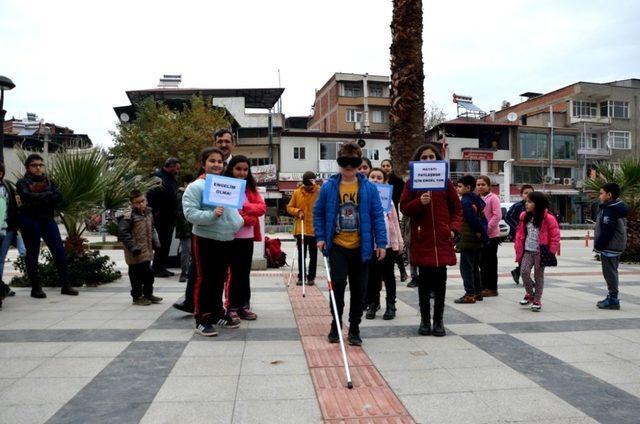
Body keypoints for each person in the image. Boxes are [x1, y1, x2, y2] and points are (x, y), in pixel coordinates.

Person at [314, 141, 387, 346]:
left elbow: (377, 216)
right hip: (337, 245)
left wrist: (381, 242)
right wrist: (320, 237)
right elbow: (318, 213)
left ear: (359, 163)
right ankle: (336, 325)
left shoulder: (369, 188)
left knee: (359, 289)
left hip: (361, 247)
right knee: (337, 286)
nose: (348, 166)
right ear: (339, 162)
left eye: (353, 162)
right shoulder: (329, 186)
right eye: (344, 162)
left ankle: (354, 328)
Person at [400, 144, 462, 337]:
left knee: (440, 284)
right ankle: (425, 320)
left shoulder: (446, 183)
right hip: (422, 239)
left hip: (442, 239)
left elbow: (457, 209)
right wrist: (420, 202)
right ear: (418, 161)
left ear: (438, 159)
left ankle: (439, 321)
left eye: (431, 157)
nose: (428, 160)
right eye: (424, 157)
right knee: (424, 284)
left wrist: (453, 228)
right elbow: (404, 207)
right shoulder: (411, 183)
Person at [182, 147, 244, 336]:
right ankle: (202, 317)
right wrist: (211, 215)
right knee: (205, 278)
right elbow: (190, 214)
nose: (217, 164)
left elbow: (233, 212)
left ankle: (217, 312)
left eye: (219, 161)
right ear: (203, 164)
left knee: (220, 277)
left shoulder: (227, 184)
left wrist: (238, 222)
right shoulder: (196, 187)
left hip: (226, 238)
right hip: (205, 239)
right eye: (212, 161)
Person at [16, 154, 78, 298]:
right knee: (33, 254)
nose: (38, 168)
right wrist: (47, 196)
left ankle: (66, 285)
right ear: (27, 167)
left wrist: (40, 196)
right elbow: (26, 197)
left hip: (47, 220)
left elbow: (58, 197)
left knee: (59, 252)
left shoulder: (50, 181)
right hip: (30, 220)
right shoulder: (22, 182)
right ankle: (36, 288)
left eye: (40, 165)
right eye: (34, 165)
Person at [224, 155, 266, 320]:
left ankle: (243, 306)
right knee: (232, 274)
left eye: (245, 169)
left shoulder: (251, 188)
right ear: (231, 169)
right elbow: (229, 212)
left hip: (247, 238)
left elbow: (261, 208)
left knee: (244, 273)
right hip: (230, 237)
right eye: (238, 169)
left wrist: (243, 206)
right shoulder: (226, 186)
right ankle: (231, 306)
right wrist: (249, 216)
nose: (242, 172)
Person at [365, 168, 403, 320]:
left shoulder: (389, 201)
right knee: (373, 277)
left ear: (384, 181)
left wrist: (399, 243)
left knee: (389, 276)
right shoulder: (363, 199)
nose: (375, 179)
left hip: (387, 244)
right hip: (371, 245)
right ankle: (373, 304)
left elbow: (395, 222)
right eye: (372, 177)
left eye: (379, 177)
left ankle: (391, 305)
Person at [514, 192, 560, 311]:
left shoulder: (548, 218)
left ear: (538, 204)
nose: (526, 204)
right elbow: (520, 232)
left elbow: (555, 236)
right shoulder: (524, 216)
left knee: (539, 276)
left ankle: (537, 300)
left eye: (529, 202)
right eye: (526, 201)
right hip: (528, 251)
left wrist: (552, 251)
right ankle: (530, 294)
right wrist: (518, 246)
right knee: (524, 271)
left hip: (541, 251)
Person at [118, 190, 163, 306]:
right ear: (132, 203)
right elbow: (123, 233)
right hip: (134, 252)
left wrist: (156, 243)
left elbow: (152, 229)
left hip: (146, 249)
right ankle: (137, 296)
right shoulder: (128, 215)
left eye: (143, 201)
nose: (141, 204)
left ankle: (148, 294)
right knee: (136, 275)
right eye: (137, 202)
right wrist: (133, 247)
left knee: (148, 274)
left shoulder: (148, 212)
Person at [454, 175, 488, 304]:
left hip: (468, 238)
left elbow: (472, 220)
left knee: (466, 267)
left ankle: (469, 294)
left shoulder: (465, 202)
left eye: (460, 186)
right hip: (476, 239)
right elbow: (482, 219)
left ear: (468, 187)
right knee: (474, 266)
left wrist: (478, 231)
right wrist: (482, 234)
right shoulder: (476, 199)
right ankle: (478, 292)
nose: (457, 189)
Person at [594, 183, 628, 310]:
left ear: (609, 195)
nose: (600, 196)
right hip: (615, 245)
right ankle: (612, 296)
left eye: (601, 193)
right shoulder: (615, 207)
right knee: (611, 272)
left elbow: (607, 230)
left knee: (609, 273)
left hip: (610, 246)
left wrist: (599, 245)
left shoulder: (610, 210)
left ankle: (613, 299)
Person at [147, 157, 180, 277]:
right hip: (160, 217)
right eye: (176, 168)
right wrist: (155, 212)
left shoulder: (171, 178)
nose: (177, 170)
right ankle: (157, 267)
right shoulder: (157, 176)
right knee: (161, 243)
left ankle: (162, 266)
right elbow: (150, 194)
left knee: (166, 243)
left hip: (170, 216)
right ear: (170, 166)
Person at [286, 171, 320, 286]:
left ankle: (311, 277)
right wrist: (298, 211)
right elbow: (289, 207)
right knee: (302, 255)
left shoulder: (319, 192)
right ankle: (301, 277)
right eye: (307, 185)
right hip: (301, 229)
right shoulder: (297, 193)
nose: (309, 187)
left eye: (310, 185)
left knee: (314, 255)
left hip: (315, 229)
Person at [381, 158, 408, 282]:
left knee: (395, 243)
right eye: (383, 165)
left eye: (388, 165)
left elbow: (399, 197)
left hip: (392, 213)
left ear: (391, 167)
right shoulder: (377, 180)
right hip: (380, 215)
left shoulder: (397, 181)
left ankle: (402, 270)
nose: (386, 167)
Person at [476, 175, 501, 297]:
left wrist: (486, 229)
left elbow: (497, 216)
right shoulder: (477, 198)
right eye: (478, 184)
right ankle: (483, 286)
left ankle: (491, 288)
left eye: (483, 184)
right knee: (482, 263)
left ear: (488, 186)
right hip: (480, 236)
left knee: (490, 263)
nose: (480, 187)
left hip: (491, 236)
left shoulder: (493, 198)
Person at [0, 163, 21, 300]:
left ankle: (1, 289)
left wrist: (15, 227)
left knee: (1, 259)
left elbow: (13, 206)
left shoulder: (6, 186)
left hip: (6, 228)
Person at [505, 185, 534, 284]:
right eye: (526, 193)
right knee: (522, 256)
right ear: (521, 195)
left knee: (532, 258)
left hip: (532, 237)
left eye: (530, 193)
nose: (528, 195)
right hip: (520, 237)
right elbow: (507, 216)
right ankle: (527, 279)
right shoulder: (518, 206)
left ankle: (517, 272)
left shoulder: (535, 207)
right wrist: (517, 227)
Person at [175, 174, 194, 282]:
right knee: (186, 251)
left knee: (190, 251)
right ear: (185, 183)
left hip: (191, 227)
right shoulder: (180, 195)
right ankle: (184, 273)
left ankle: (188, 272)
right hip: (184, 228)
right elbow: (180, 214)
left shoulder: (188, 193)